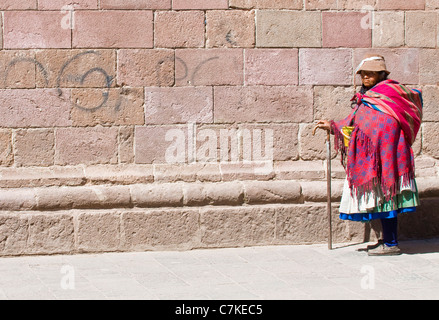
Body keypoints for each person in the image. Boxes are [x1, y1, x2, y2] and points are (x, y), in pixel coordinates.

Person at [315, 54, 423, 256]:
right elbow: (357, 121)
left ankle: (391, 244)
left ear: (381, 74)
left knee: (389, 199)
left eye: (371, 73)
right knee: (381, 200)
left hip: (389, 156)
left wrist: (379, 145)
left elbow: (386, 126)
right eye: (363, 73)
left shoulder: (389, 94)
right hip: (375, 157)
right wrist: (333, 126)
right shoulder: (368, 97)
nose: (365, 77)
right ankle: (384, 239)